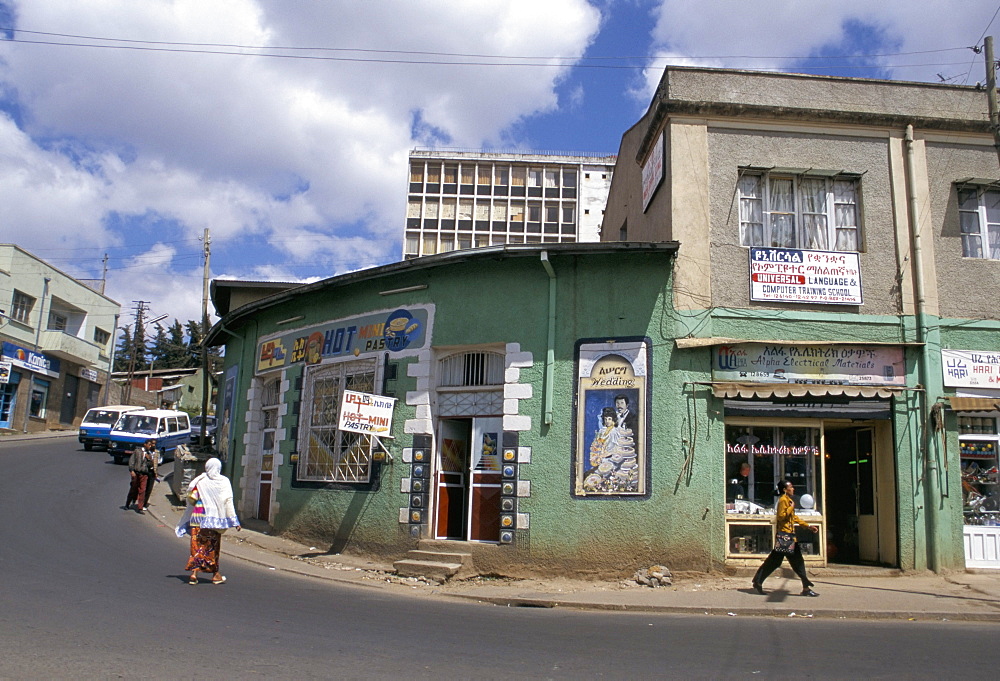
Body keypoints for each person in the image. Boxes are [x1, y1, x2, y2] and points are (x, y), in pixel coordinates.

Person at [176, 458, 241, 585]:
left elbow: (192, 498)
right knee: (212, 548)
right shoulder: (224, 482)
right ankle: (215, 575)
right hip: (214, 521)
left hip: (198, 518)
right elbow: (228, 501)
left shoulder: (201, 481)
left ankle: (194, 573)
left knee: (197, 546)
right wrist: (235, 521)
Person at [751, 479, 820, 597]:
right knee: (795, 562)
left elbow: (794, 518)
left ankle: (758, 581)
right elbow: (781, 517)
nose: (793, 489)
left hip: (788, 537)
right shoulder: (783, 500)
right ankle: (806, 588)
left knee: (776, 561)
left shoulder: (788, 500)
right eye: (791, 487)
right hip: (785, 538)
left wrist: (808, 526)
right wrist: (791, 508)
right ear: (784, 490)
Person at [125, 438, 158, 513]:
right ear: (145, 444)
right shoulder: (138, 451)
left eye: (151, 445)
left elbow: (151, 465)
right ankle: (128, 503)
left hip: (144, 474)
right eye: (149, 445)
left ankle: (140, 507)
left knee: (142, 490)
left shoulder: (149, 454)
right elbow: (132, 461)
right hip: (136, 473)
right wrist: (132, 470)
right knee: (133, 489)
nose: (150, 446)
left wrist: (149, 459)